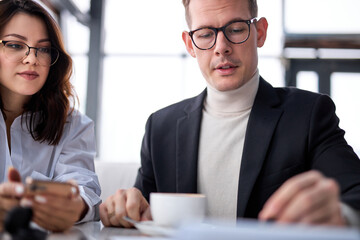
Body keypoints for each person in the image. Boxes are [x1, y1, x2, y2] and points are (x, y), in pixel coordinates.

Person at [100, 0, 360, 228]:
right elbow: (141, 212)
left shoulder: (307, 115)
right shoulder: (161, 127)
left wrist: (341, 216)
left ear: (259, 32)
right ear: (190, 44)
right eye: (204, 34)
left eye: (235, 29)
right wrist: (125, 208)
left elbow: (355, 194)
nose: (221, 47)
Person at [0, 0, 101, 232]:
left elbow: (85, 191)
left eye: (44, 49)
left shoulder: (73, 124)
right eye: (15, 45)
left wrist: (74, 206)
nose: (32, 59)